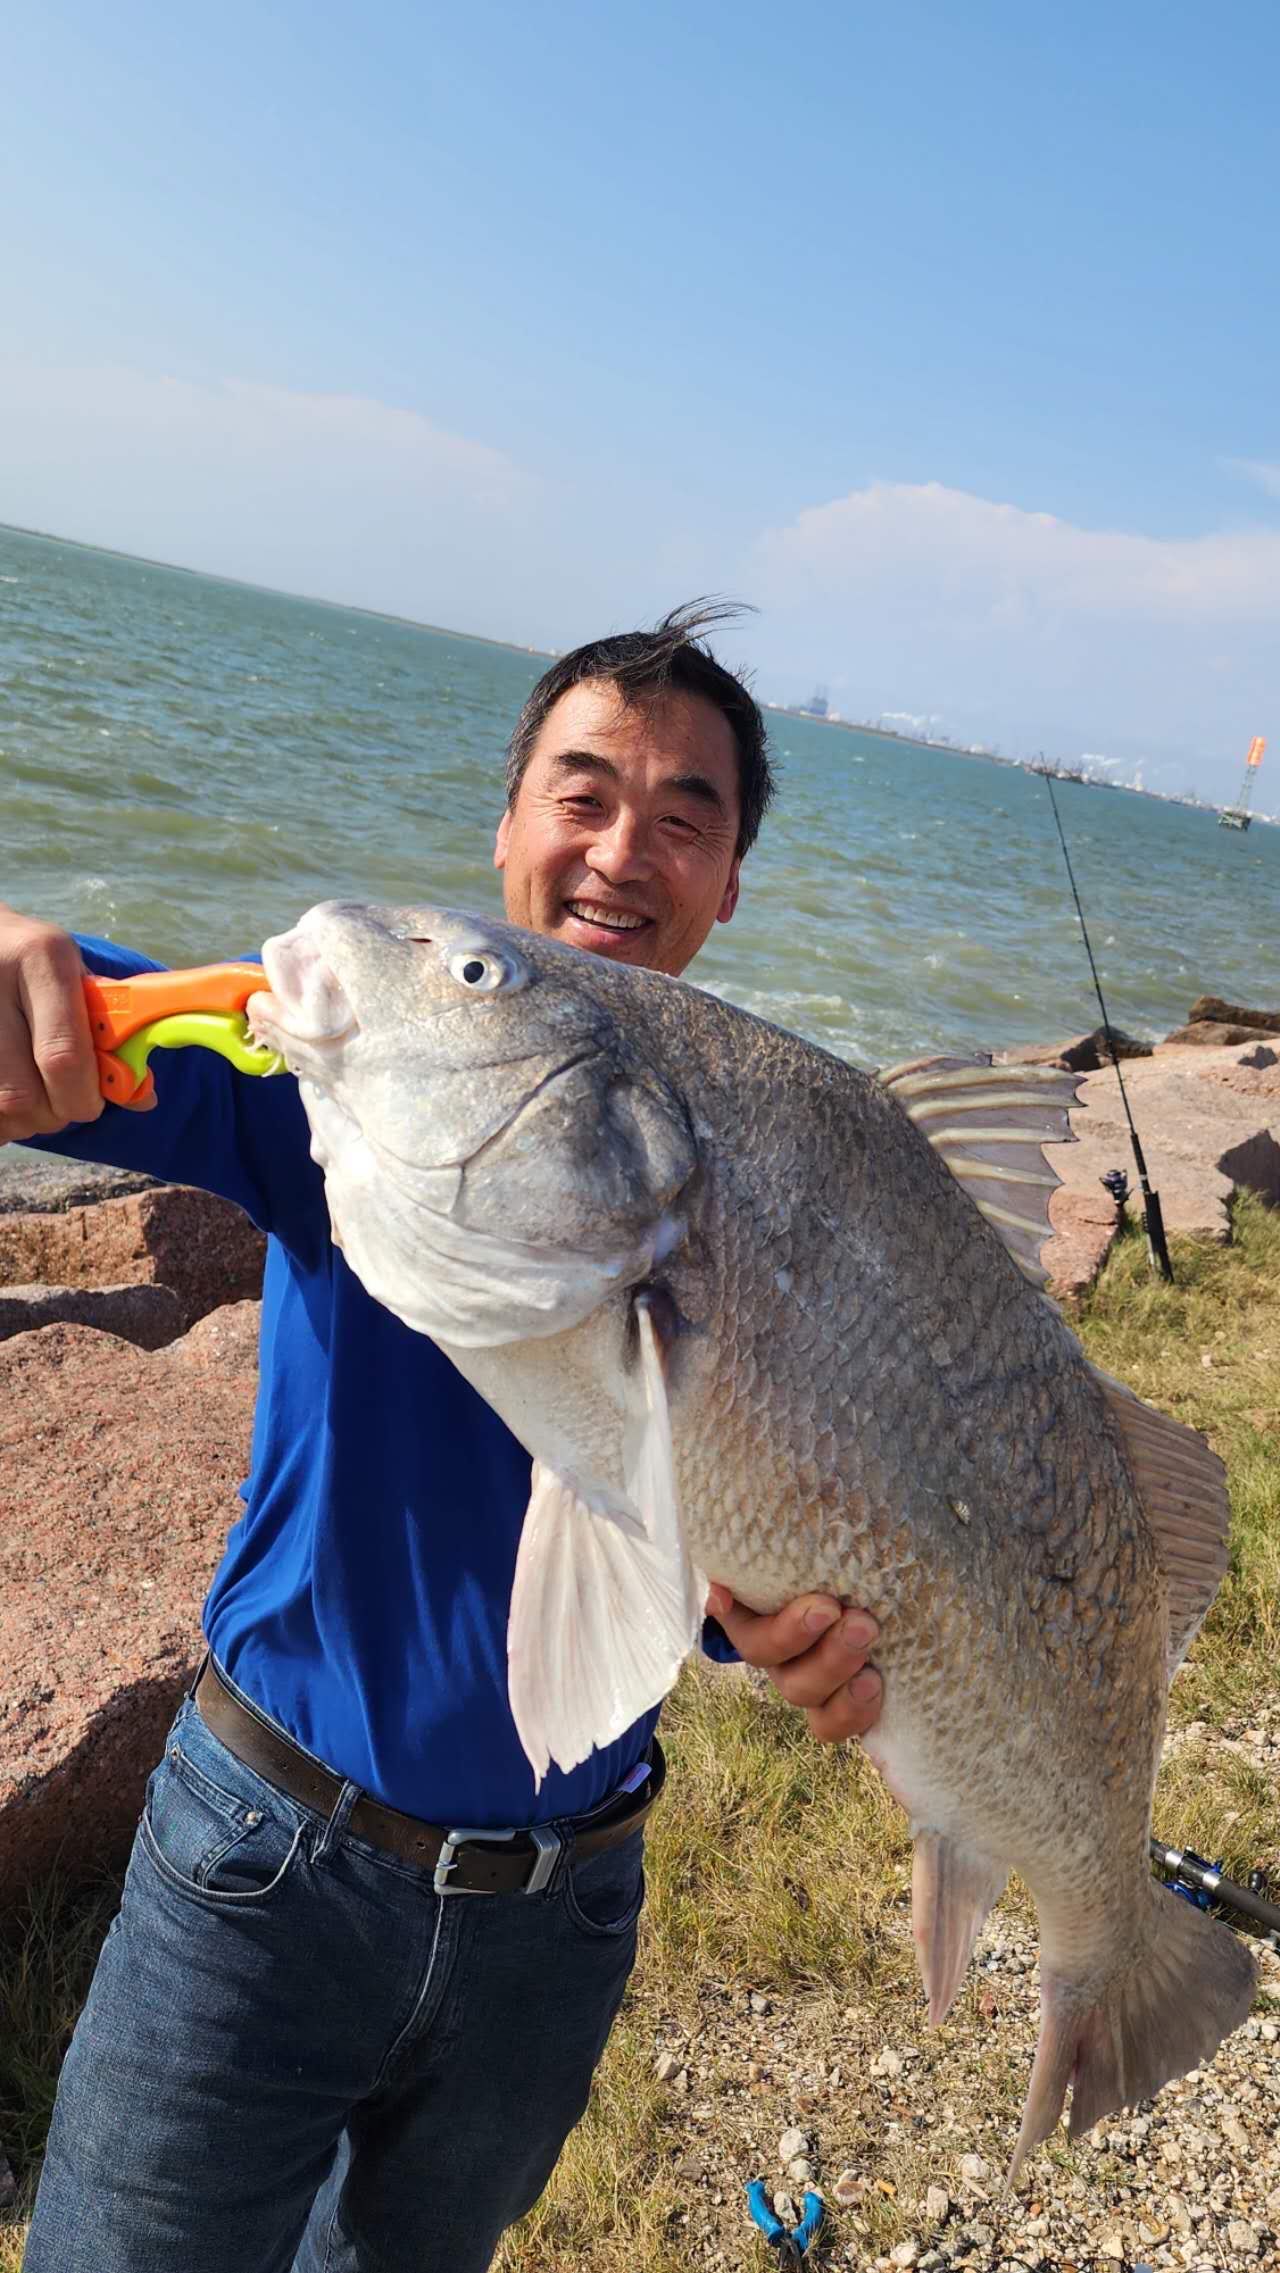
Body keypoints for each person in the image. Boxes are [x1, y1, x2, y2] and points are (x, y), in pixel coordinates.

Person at [1, 604, 882, 2273]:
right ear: (506, 825)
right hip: (262, 1866)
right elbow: (107, 1025)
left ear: (733, 880)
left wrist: (774, 1622)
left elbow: (695, 1523)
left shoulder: (747, 1189)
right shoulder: (341, 1075)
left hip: (566, 1914)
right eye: (583, 793)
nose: (629, 849)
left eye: (687, 813)